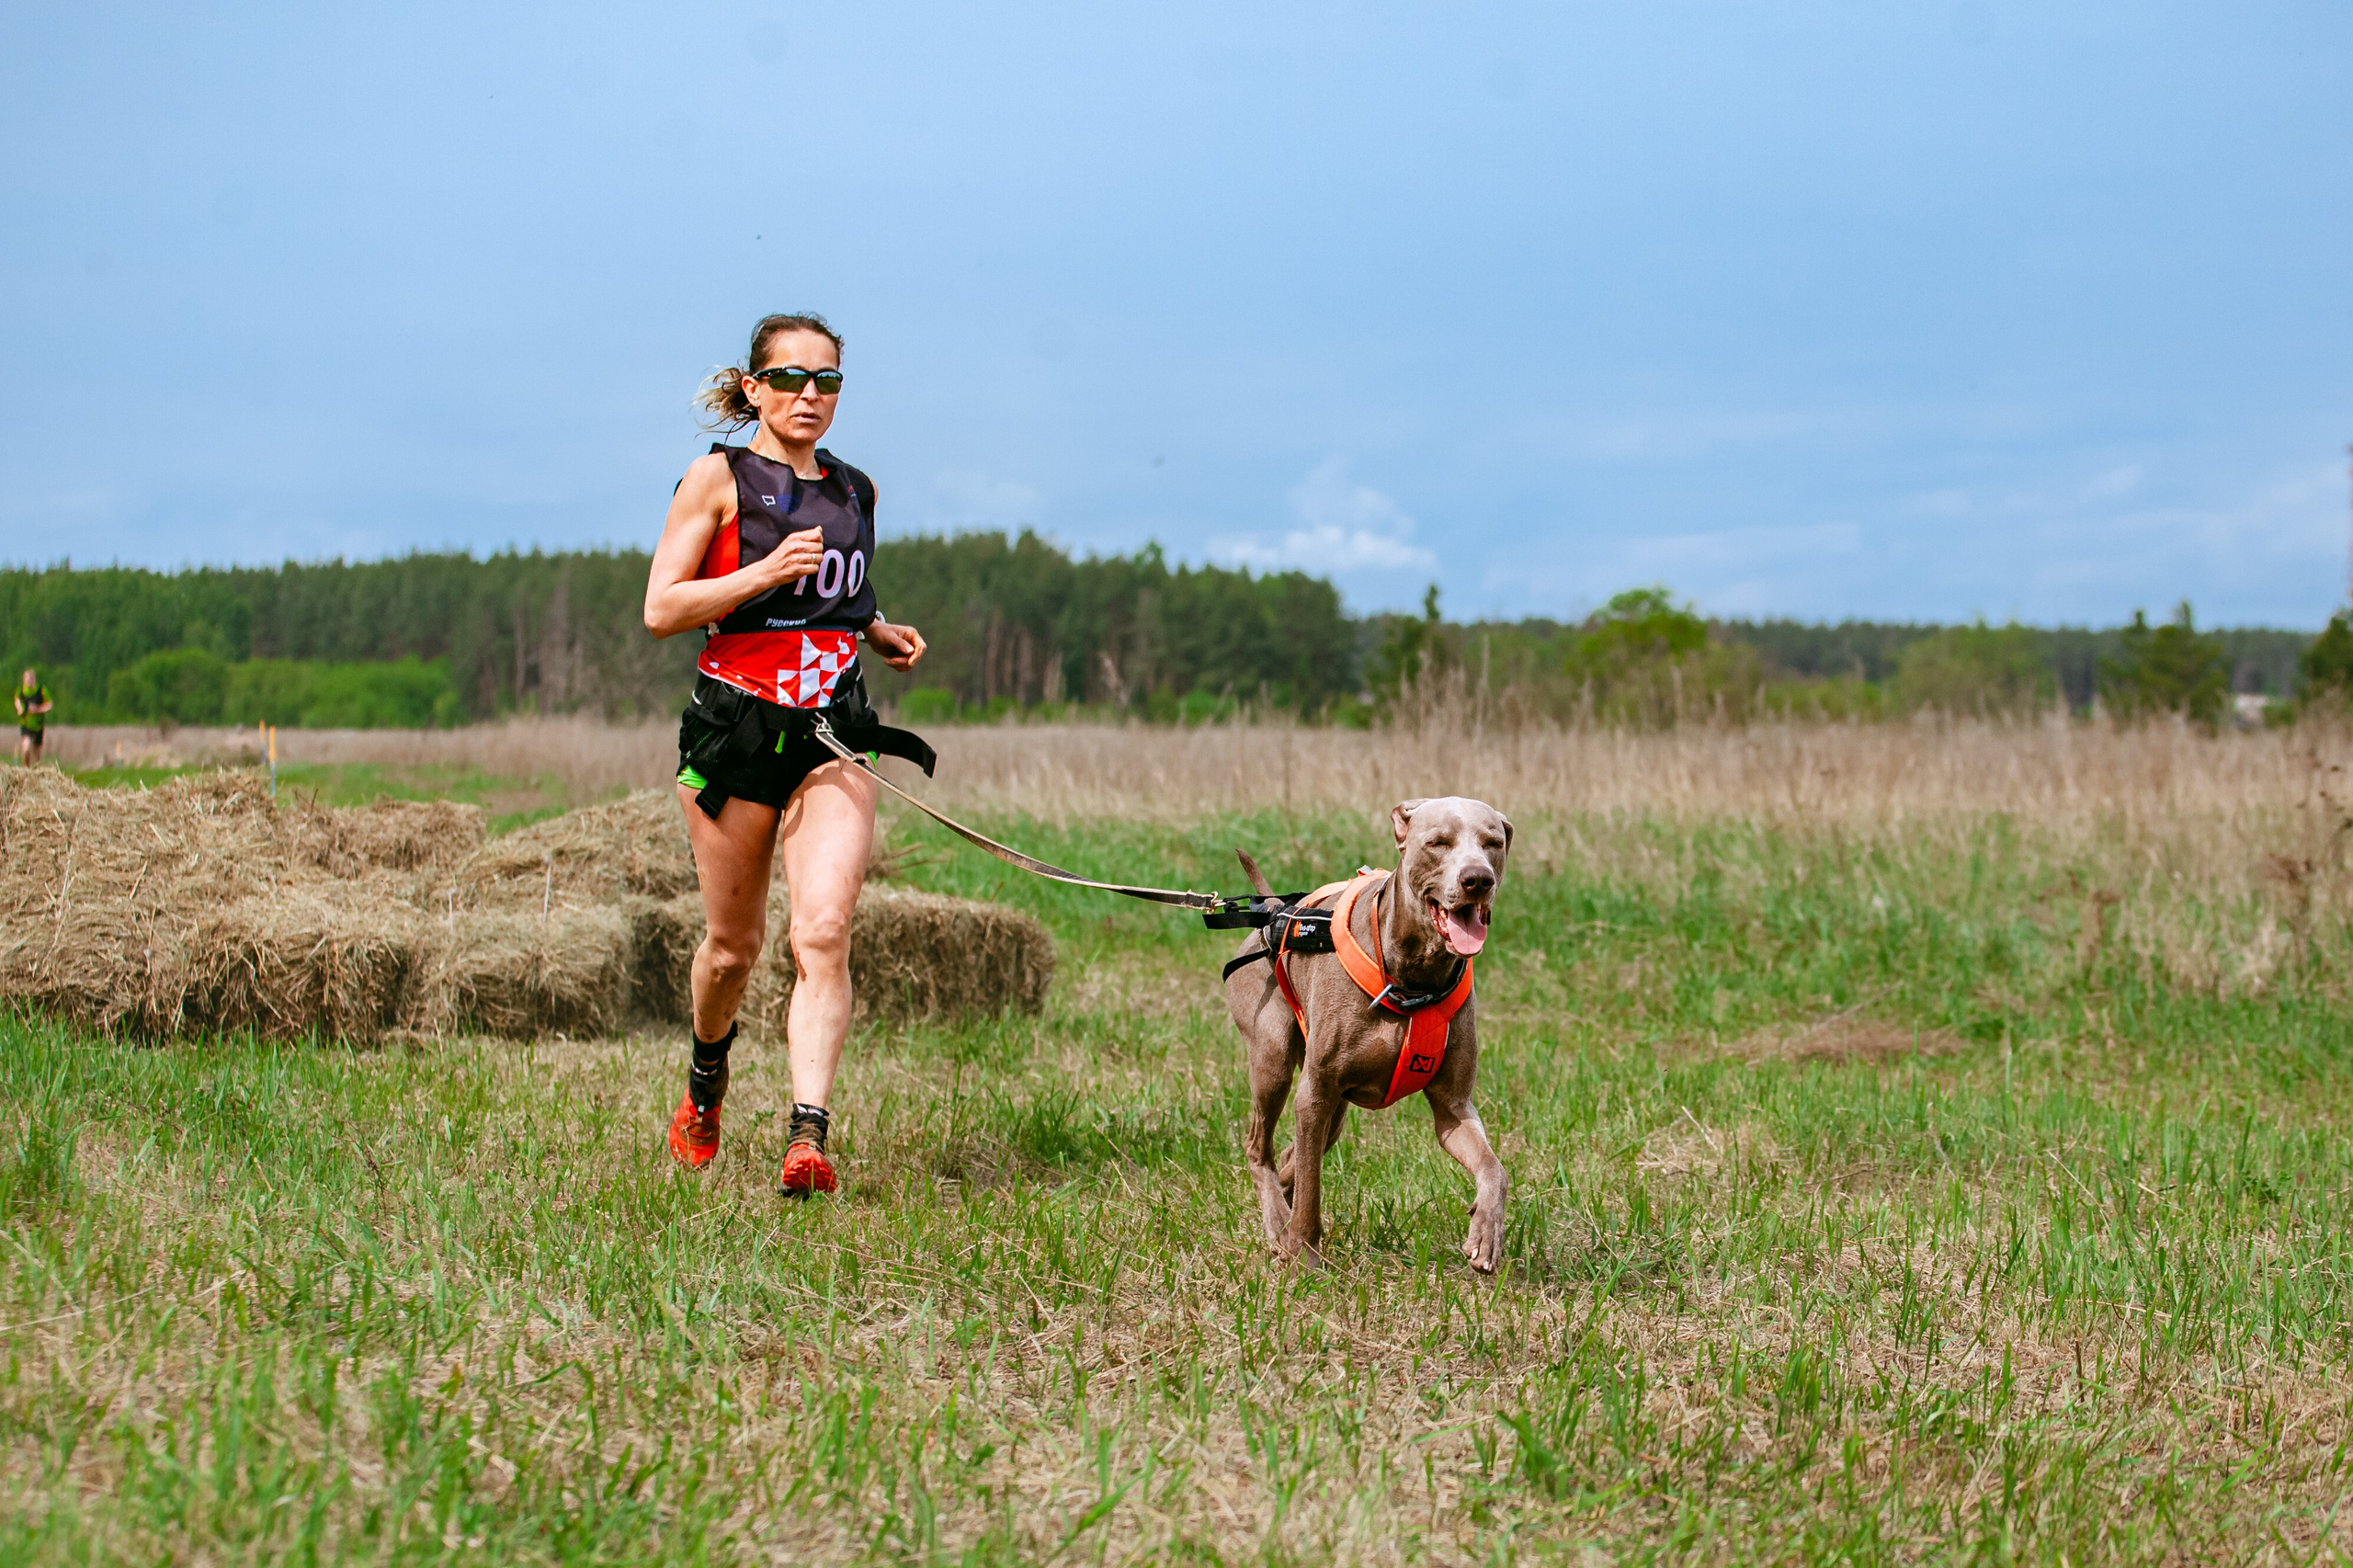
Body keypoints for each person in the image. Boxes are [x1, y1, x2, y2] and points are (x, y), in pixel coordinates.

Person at [642, 312, 931, 1196]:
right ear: (755, 388)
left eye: (829, 382)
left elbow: (837, 594)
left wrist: (876, 629)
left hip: (833, 733)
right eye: (794, 379)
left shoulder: (856, 491)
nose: (812, 396)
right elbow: (662, 607)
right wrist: (758, 577)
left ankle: (808, 1133)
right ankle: (705, 1080)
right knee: (733, 950)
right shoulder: (717, 479)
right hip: (734, 733)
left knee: (825, 932)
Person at [15, 669, 51, 766]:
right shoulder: (21, 690)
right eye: (26, 679)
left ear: (34, 679)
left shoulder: (41, 690)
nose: (27, 682)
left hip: (38, 724)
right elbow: (17, 700)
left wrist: (38, 709)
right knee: (26, 747)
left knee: (37, 752)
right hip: (26, 723)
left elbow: (49, 705)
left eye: (29, 679)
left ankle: (37, 771)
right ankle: (26, 770)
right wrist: (19, 708)